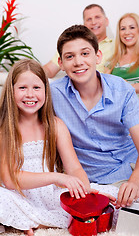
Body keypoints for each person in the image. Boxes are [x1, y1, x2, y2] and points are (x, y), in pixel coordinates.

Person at [50, 24, 139, 222]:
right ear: (61, 63)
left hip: (134, 160)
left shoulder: (121, 89)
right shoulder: (52, 94)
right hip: (102, 175)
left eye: (85, 53)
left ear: (97, 57)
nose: (78, 62)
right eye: (69, 56)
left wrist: (135, 181)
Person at [0, 59, 119, 236]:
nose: (30, 94)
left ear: (46, 91)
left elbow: (74, 168)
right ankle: (29, 220)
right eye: (22, 88)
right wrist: (58, 177)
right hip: (17, 195)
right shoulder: (4, 129)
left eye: (37, 88)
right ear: (11, 91)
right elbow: (10, 180)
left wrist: (85, 192)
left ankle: (30, 221)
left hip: (52, 195)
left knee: (114, 198)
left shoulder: (55, 125)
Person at [44, 4, 139, 78]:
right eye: (89, 19)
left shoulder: (120, 44)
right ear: (84, 24)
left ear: (106, 21)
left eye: (97, 17)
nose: (93, 22)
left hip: (99, 87)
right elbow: (49, 69)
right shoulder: (72, 47)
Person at [105, 13, 139, 105]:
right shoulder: (112, 60)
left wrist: (123, 85)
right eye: (123, 29)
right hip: (116, 97)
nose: (127, 32)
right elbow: (104, 84)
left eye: (132, 27)